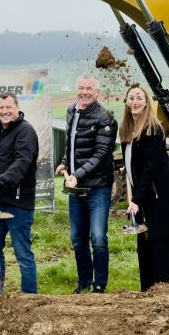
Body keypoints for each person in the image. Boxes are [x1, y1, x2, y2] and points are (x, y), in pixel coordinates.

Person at [58, 73, 117, 293]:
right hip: (76, 188)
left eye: (89, 89)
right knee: (77, 238)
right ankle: (83, 282)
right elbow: (71, 144)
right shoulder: (71, 111)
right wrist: (65, 163)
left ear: (97, 92)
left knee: (98, 237)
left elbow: (101, 153)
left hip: (98, 187)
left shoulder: (105, 118)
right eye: (81, 88)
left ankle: (100, 285)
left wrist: (77, 174)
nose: (84, 92)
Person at [120, 83, 169, 290]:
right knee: (144, 241)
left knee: (159, 241)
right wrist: (127, 169)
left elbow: (150, 168)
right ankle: (146, 292)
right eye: (131, 98)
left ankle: (163, 291)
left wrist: (135, 199)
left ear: (146, 103)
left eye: (139, 98)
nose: (135, 102)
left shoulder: (153, 129)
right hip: (144, 193)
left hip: (158, 195)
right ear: (126, 102)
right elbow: (136, 161)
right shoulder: (127, 129)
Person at [0, 92, 40, 294]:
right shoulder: (1, 130)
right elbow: (4, 156)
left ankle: (30, 298)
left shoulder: (26, 131)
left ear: (17, 108)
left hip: (18, 203)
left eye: (9, 107)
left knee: (23, 253)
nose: (5, 111)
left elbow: (21, 163)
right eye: (1, 108)